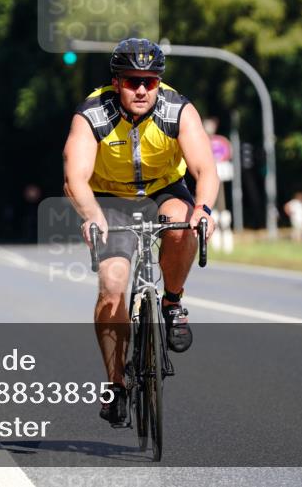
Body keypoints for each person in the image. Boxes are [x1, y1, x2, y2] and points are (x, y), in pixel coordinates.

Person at [62, 38, 217, 426]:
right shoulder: (92, 113)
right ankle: (115, 384)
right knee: (112, 285)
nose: (143, 89)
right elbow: (74, 177)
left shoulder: (177, 109)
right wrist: (91, 214)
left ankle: (172, 303)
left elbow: (204, 169)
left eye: (150, 81)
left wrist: (204, 209)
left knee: (182, 225)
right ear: (117, 82)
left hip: (163, 189)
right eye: (133, 81)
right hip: (109, 198)